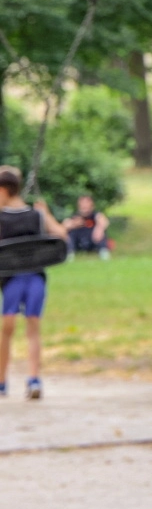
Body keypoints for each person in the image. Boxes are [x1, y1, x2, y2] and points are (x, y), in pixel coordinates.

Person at [0, 166, 68, 399]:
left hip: (31, 278)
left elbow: (61, 235)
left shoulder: (35, 215)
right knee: (9, 328)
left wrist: (46, 214)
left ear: (5, 191)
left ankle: (34, 380)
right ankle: (2, 381)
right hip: (13, 280)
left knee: (30, 328)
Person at [62, 194, 111, 260]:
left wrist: (99, 228)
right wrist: (74, 224)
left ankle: (104, 253)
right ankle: (70, 254)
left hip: (93, 240)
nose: (84, 205)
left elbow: (104, 221)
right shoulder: (75, 216)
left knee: (101, 232)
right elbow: (64, 225)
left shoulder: (95, 215)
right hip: (79, 242)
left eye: (86, 203)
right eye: (82, 203)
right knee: (70, 234)